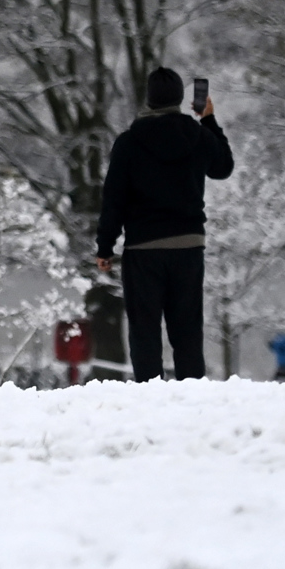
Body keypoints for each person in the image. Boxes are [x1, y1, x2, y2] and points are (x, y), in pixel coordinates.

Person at [93, 67, 235, 381]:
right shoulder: (198, 136)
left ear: (150, 99)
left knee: (144, 331)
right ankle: (191, 393)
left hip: (143, 249)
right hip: (188, 247)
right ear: (181, 99)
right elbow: (223, 167)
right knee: (187, 330)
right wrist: (208, 120)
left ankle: (149, 393)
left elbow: (114, 199)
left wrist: (105, 247)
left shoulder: (129, 143)